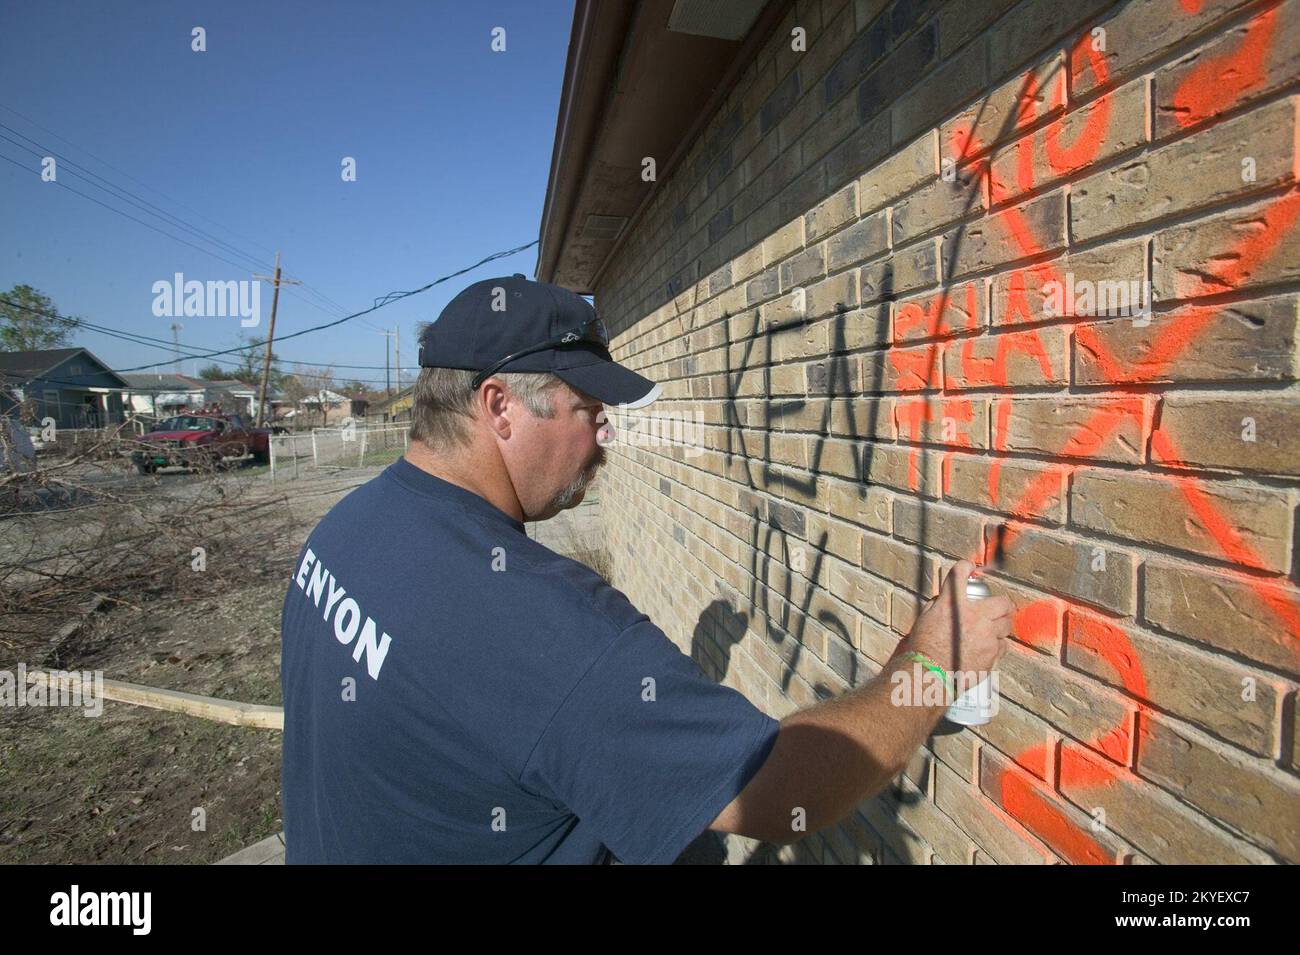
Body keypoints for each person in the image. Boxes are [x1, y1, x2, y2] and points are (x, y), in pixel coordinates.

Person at [279, 273, 1013, 864]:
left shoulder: (345, 532)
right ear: (499, 406)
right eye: (587, 410)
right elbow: (779, 789)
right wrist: (935, 666)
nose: (604, 440)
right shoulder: (543, 625)